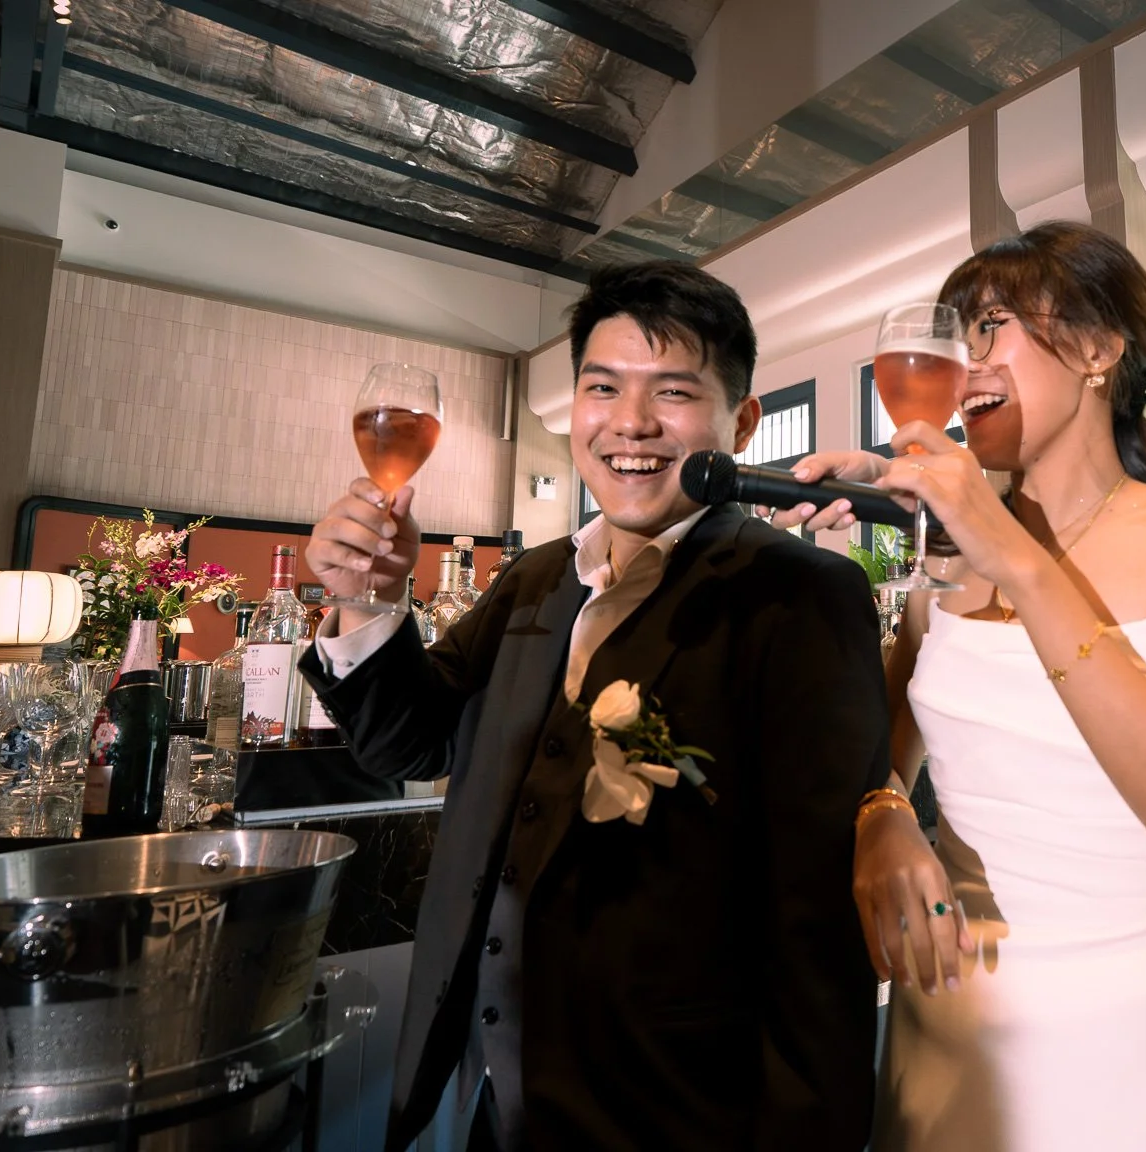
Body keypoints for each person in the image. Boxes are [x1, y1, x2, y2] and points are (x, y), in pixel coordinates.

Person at [300, 262, 889, 1151]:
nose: (632, 425)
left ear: (740, 422)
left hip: (674, 1110)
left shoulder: (801, 594)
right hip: (489, 1095)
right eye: (602, 388)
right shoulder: (536, 578)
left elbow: (817, 928)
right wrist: (371, 602)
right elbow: (404, 744)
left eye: (674, 393)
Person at [777, 221, 1146, 1151]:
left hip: (1131, 1039)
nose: (963, 361)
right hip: (950, 1020)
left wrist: (1005, 546)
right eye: (958, 335)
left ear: (1096, 349)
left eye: (992, 327)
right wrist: (884, 815)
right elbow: (876, 756)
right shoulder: (946, 559)